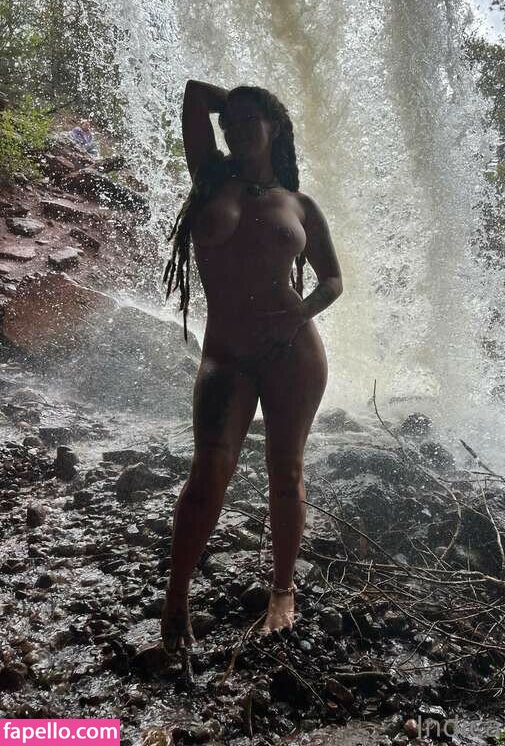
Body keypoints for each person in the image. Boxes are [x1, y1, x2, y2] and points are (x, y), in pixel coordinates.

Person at [160, 80, 344, 653]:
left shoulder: (300, 205)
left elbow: (333, 279)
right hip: (226, 354)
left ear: (276, 128)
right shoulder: (210, 177)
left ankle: (282, 591)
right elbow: (194, 95)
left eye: (249, 122)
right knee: (209, 470)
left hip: (293, 351)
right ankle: (175, 598)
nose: (235, 131)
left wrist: (299, 315)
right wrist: (243, 105)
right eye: (230, 124)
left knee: (285, 470)